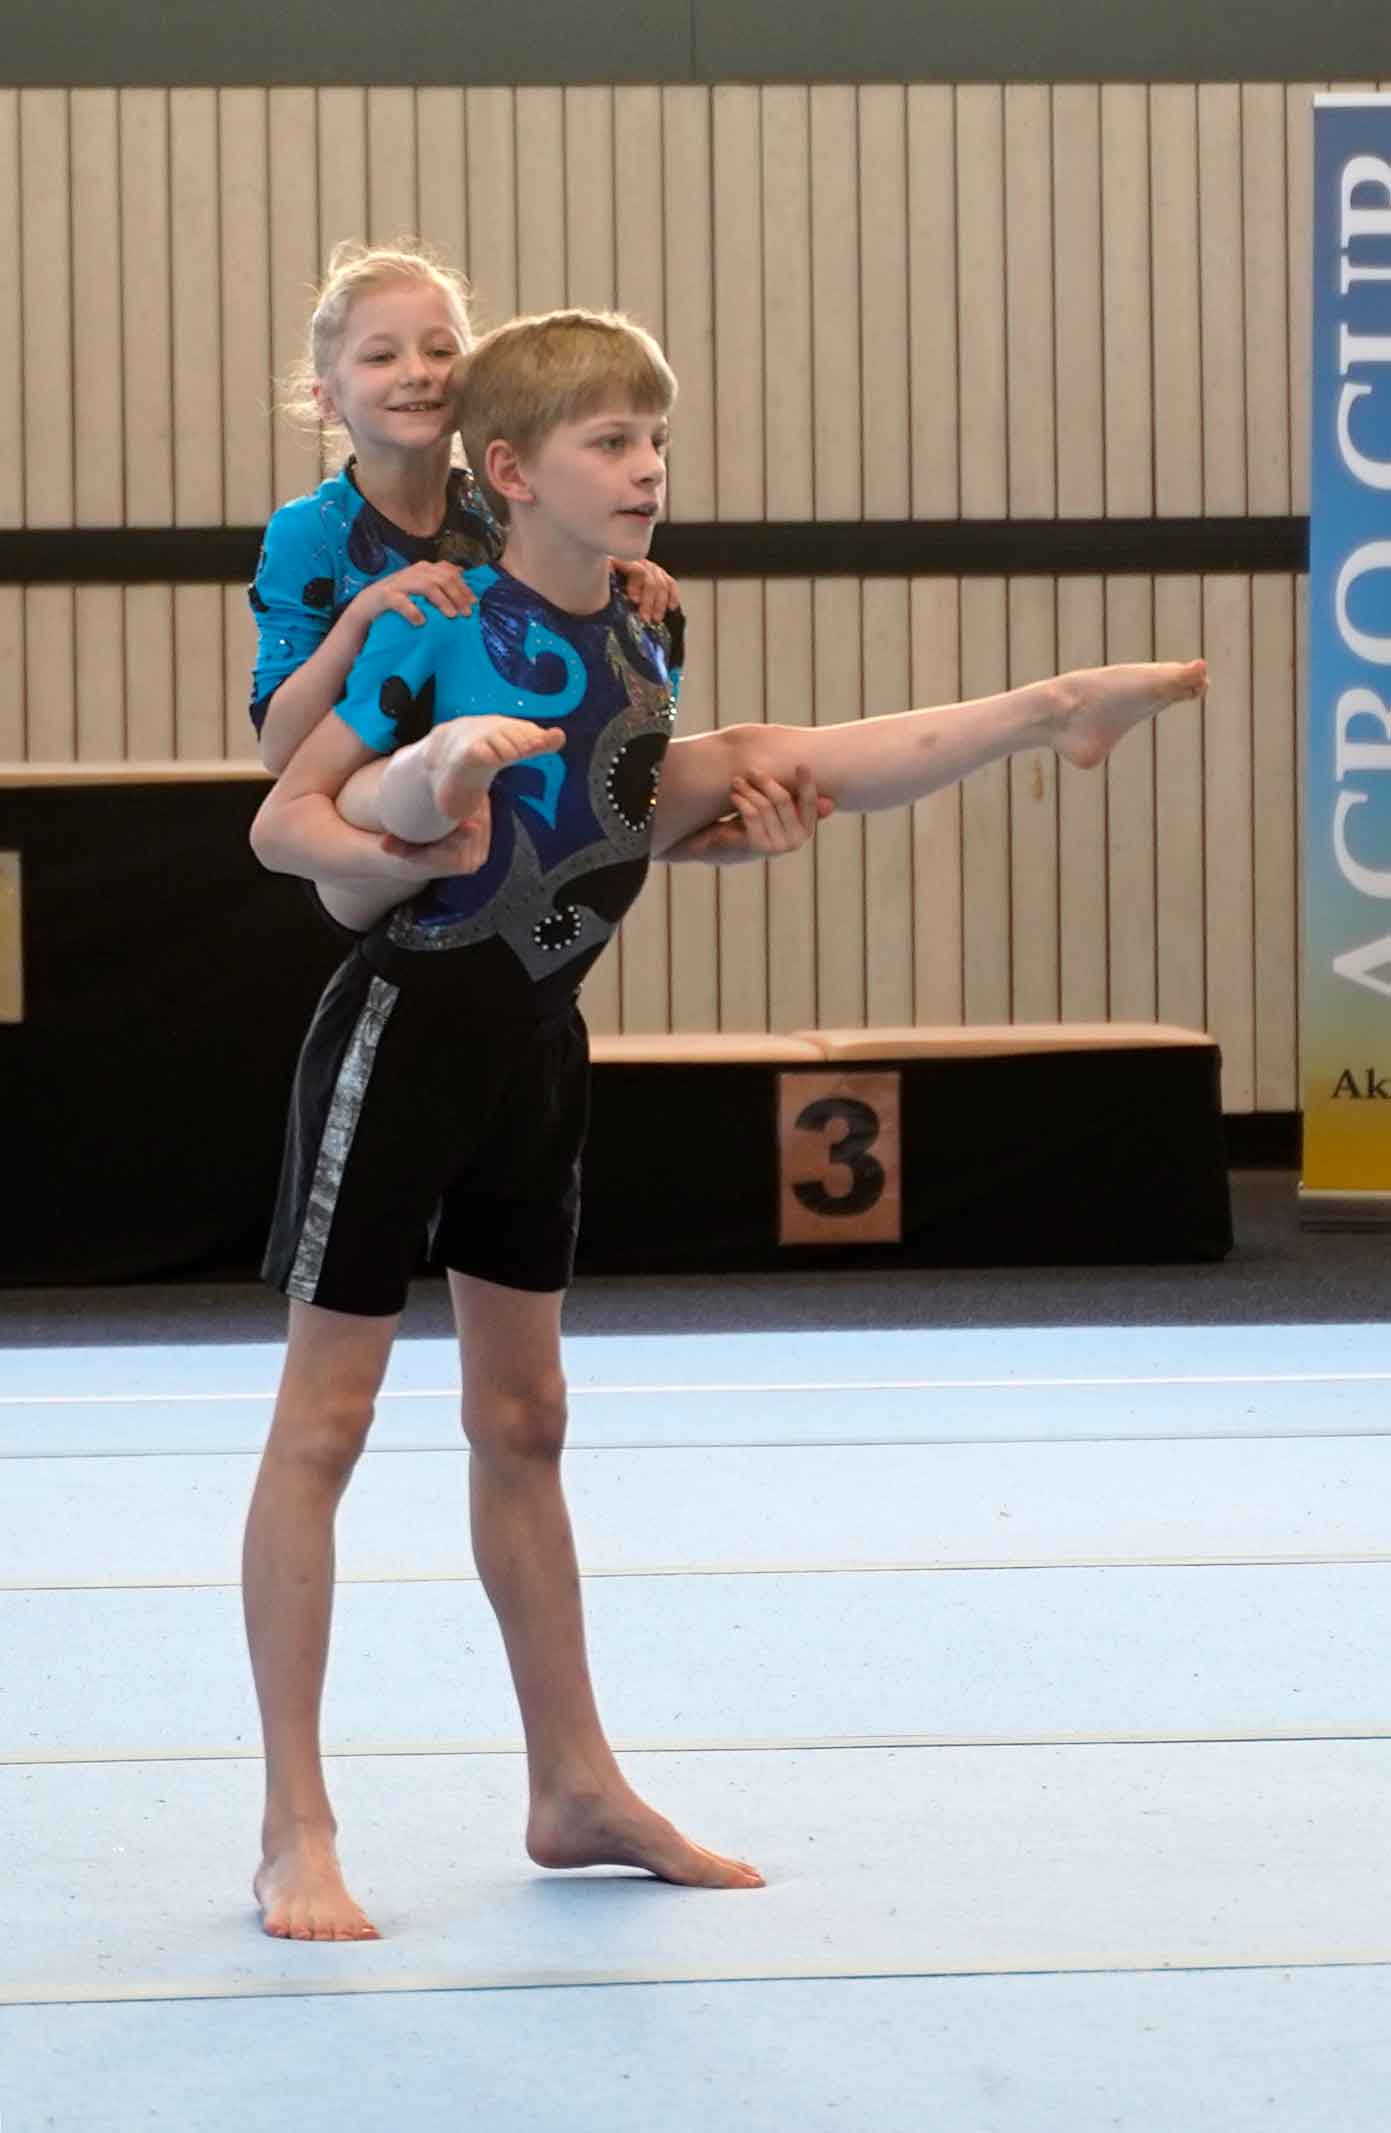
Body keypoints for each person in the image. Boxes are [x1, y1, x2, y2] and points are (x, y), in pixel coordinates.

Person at [245, 307, 1207, 1943]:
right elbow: (281, 820)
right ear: (509, 472)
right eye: (612, 444)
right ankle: (294, 1825)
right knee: (325, 1426)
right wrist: (409, 829)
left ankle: (572, 1786)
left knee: (527, 1418)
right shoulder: (438, 619)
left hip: (535, 1046)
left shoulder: (645, 629)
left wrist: (725, 842)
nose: (648, 470)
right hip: (402, 1033)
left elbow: (599, 818)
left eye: (656, 442)